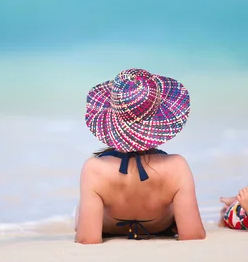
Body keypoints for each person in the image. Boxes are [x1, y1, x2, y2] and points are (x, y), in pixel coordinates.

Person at [74, 68, 206, 244]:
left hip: (108, 227)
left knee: (80, 209)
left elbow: (87, 239)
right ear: (159, 119)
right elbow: (193, 235)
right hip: (160, 227)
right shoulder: (177, 166)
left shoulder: (94, 169)